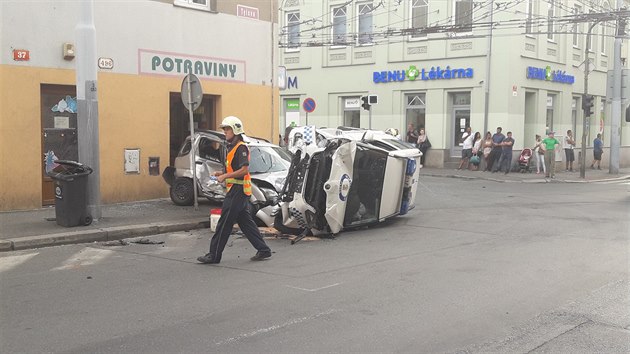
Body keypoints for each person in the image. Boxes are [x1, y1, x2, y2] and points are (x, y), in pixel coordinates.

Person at [198, 116, 273, 264]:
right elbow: (235, 169)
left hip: (237, 192)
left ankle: (214, 255)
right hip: (237, 191)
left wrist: (225, 175)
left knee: (224, 223)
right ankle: (263, 250)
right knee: (246, 223)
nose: (225, 131)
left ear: (236, 130)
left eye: (227, 129)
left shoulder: (241, 148)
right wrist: (221, 174)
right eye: (224, 129)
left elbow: (244, 170)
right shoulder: (232, 147)